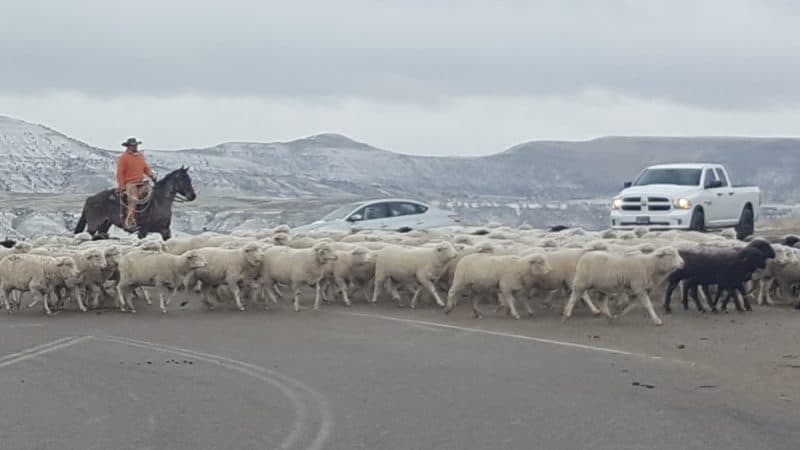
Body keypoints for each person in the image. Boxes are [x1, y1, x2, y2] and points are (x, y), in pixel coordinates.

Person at [117, 137, 156, 230]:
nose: (135, 147)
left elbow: (145, 168)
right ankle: (130, 222)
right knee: (133, 199)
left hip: (141, 182)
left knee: (152, 193)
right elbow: (120, 173)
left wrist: (151, 176)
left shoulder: (140, 157)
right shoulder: (123, 158)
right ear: (128, 147)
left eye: (136, 145)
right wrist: (122, 187)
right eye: (133, 145)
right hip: (130, 184)